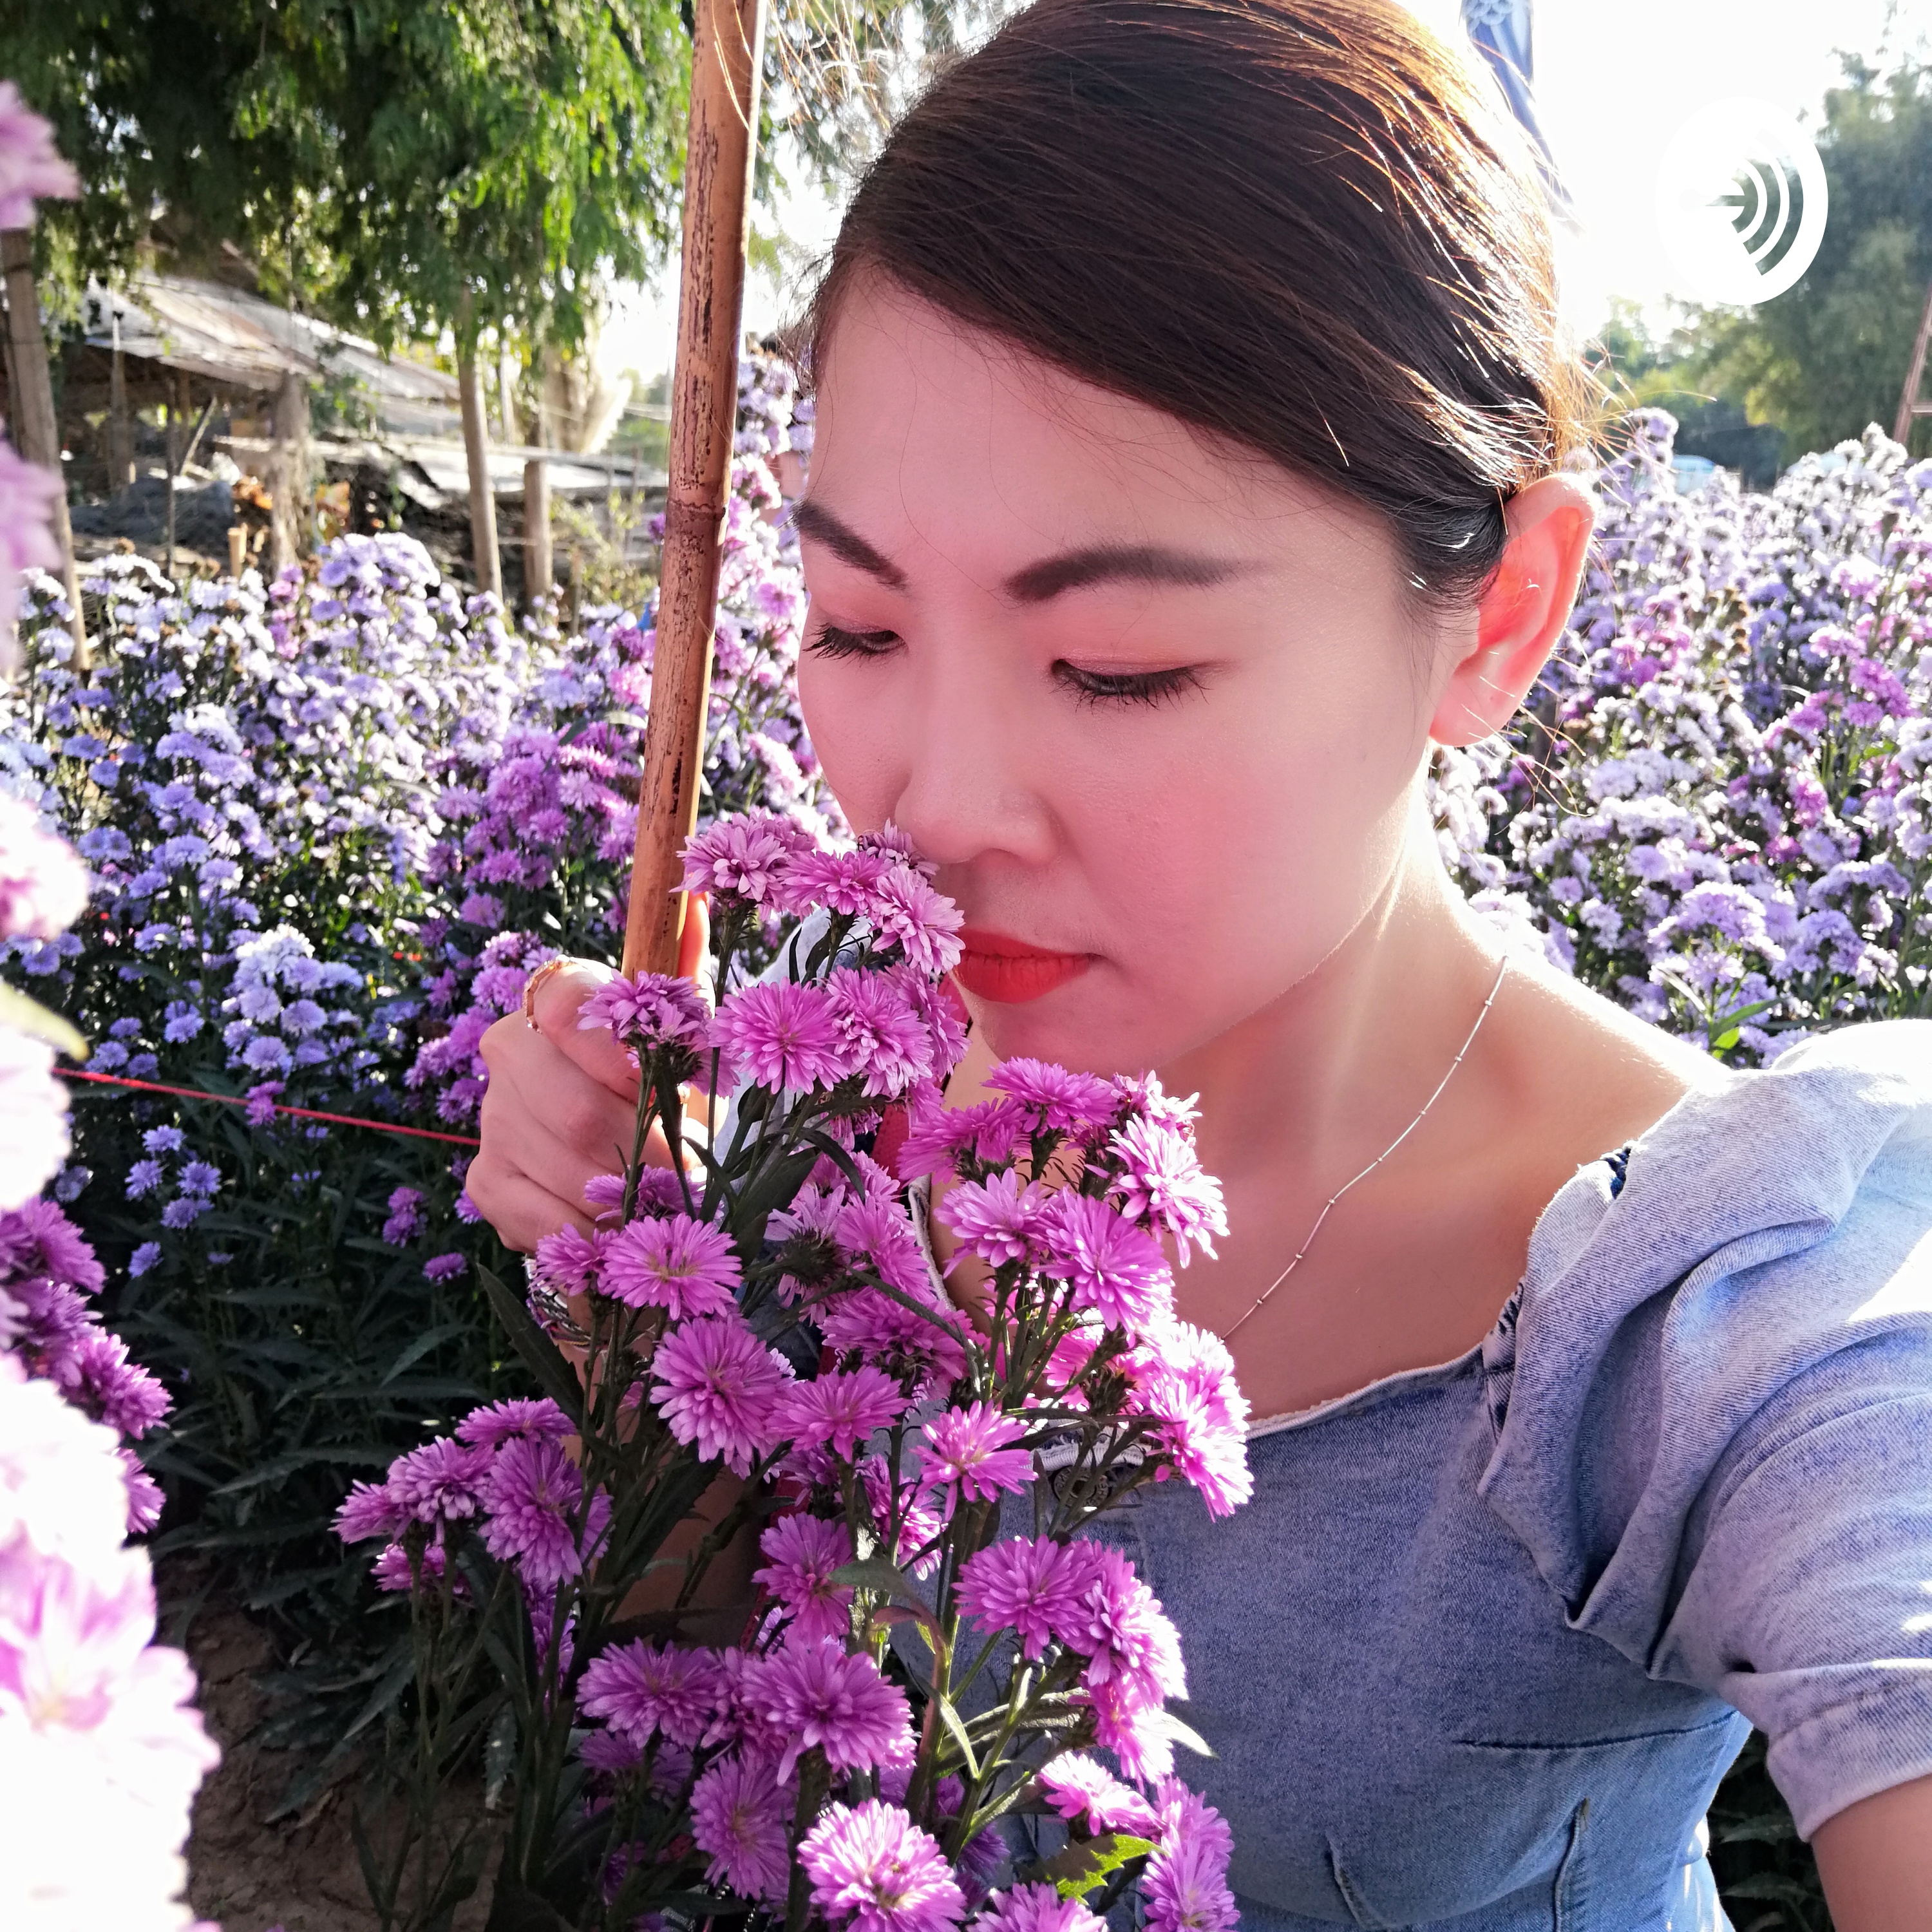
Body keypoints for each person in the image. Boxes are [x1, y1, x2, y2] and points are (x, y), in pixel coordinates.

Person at [467, 0, 1932, 1924]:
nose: (931, 808)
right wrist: (652, 1324)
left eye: (1117, 667)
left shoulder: (1730, 1307)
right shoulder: (826, 1133)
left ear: (1501, 616)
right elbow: (724, 1731)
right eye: (856, 624)